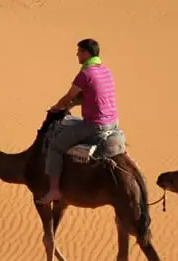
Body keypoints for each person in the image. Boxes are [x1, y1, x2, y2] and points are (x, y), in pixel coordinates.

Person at [36, 38, 118, 204]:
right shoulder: (106, 71)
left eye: (80, 51)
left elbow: (69, 96)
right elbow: (94, 97)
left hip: (95, 126)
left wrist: (56, 107)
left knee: (56, 146)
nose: (77, 54)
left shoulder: (85, 74)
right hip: (113, 123)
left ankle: (53, 190)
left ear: (87, 53)